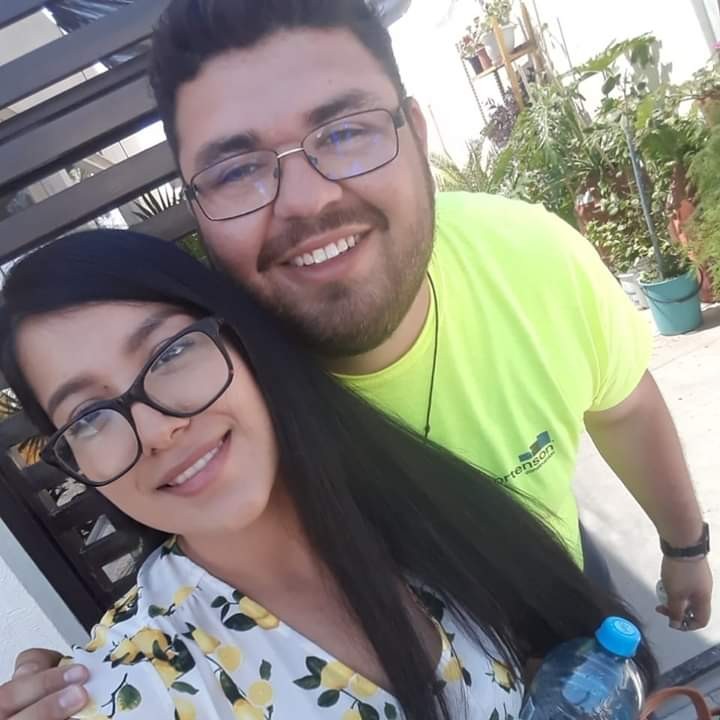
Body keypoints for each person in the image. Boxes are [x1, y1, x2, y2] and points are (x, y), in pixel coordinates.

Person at [0, 0, 710, 716]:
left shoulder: (528, 255)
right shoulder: (227, 413)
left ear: (417, 133)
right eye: (237, 171)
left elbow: (624, 405)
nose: (306, 201)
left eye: (344, 132)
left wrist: (684, 547)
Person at [0, 230, 656, 720]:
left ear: (240, 339)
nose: (155, 429)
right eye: (87, 417)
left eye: (169, 353)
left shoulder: (416, 506)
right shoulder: (132, 686)